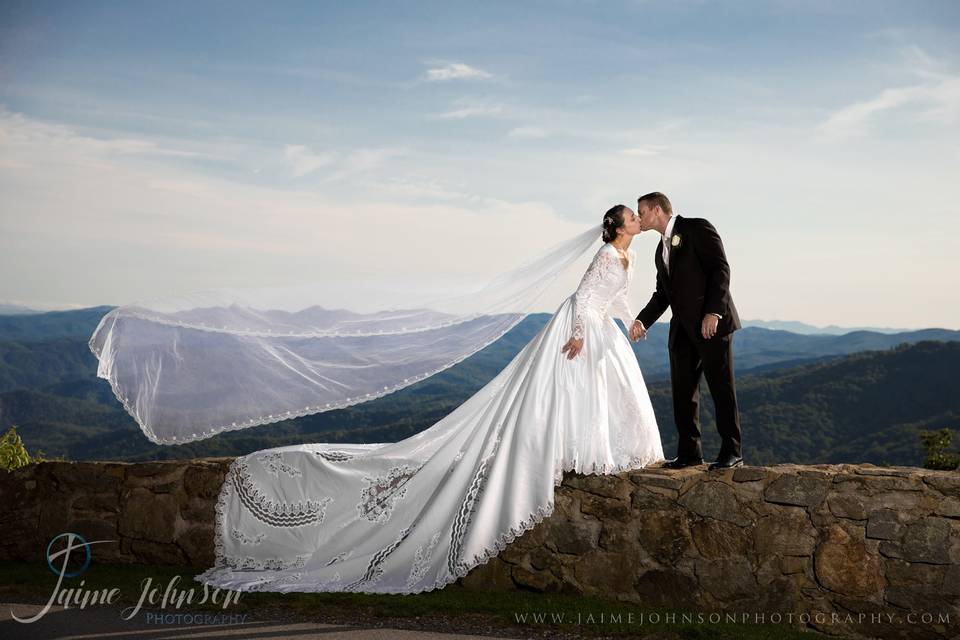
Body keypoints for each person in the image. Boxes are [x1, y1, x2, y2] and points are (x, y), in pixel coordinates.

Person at [194, 205, 665, 594]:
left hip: (603, 331)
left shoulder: (628, 259)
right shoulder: (606, 254)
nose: (638, 220)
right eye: (632, 217)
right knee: (563, 392)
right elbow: (584, 298)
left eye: (638, 216)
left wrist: (634, 322)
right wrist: (580, 334)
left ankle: (590, 450)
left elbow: (615, 297)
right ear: (618, 227)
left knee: (602, 394)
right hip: (580, 331)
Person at [628, 191, 743, 471]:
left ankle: (733, 451)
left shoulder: (696, 228)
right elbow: (662, 294)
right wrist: (643, 321)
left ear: (656, 210)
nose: (639, 217)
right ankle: (690, 452)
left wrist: (713, 312)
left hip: (711, 324)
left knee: (721, 387)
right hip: (681, 330)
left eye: (641, 211)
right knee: (683, 392)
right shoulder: (660, 250)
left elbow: (720, 270)